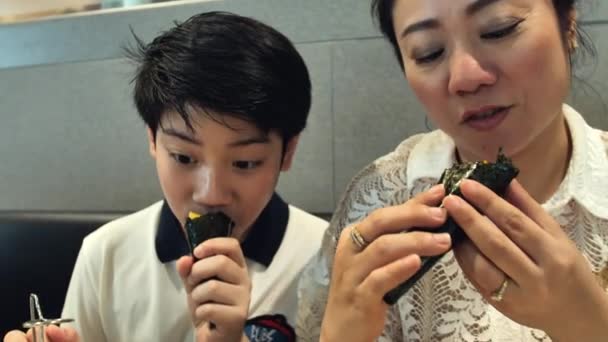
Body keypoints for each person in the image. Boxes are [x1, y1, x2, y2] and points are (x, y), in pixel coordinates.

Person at [4, 11, 327, 342]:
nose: (211, 194)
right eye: (184, 157)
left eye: (244, 163)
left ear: (287, 152)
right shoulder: (106, 255)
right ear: (153, 141)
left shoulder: (329, 259)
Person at [296, 0, 608, 341]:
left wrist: (589, 325)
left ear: (568, 24)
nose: (465, 78)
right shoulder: (378, 198)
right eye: (428, 53)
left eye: (498, 29)